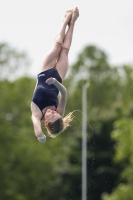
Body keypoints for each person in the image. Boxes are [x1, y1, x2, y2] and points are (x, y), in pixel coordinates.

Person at [30, 7, 79, 143]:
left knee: (57, 44)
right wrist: (56, 82)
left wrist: (40, 135)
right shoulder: (59, 113)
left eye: (52, 115)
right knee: (65, 49)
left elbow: (35, 123)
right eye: (56, 114)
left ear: (46, 122)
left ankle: (65, 21)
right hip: (58, 76)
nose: (54, 112)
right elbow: (64, 93)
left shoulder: (37, 112)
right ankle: (72, 21)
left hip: (44, 71)